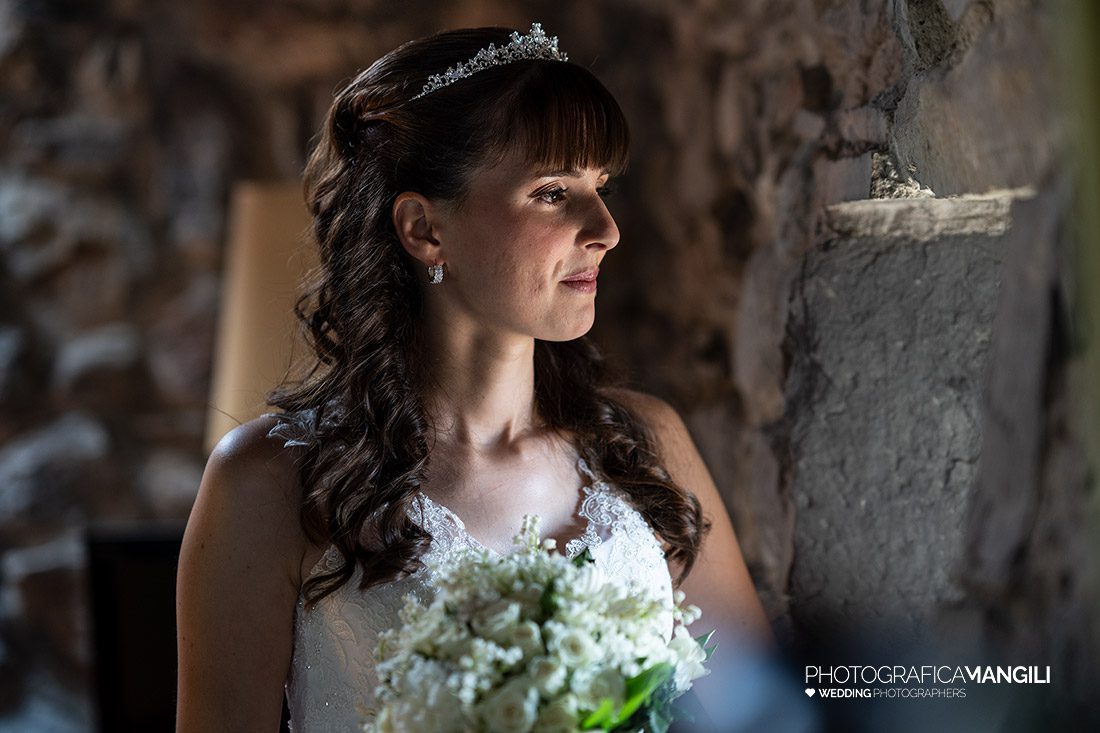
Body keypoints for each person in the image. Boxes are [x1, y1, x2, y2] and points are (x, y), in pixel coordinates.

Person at [176, 21, 775, 732]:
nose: (606, 227)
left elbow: (767, 717)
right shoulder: (268, 483)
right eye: (553, 192)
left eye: (601, 185)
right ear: (426, 230)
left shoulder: (648, 444)